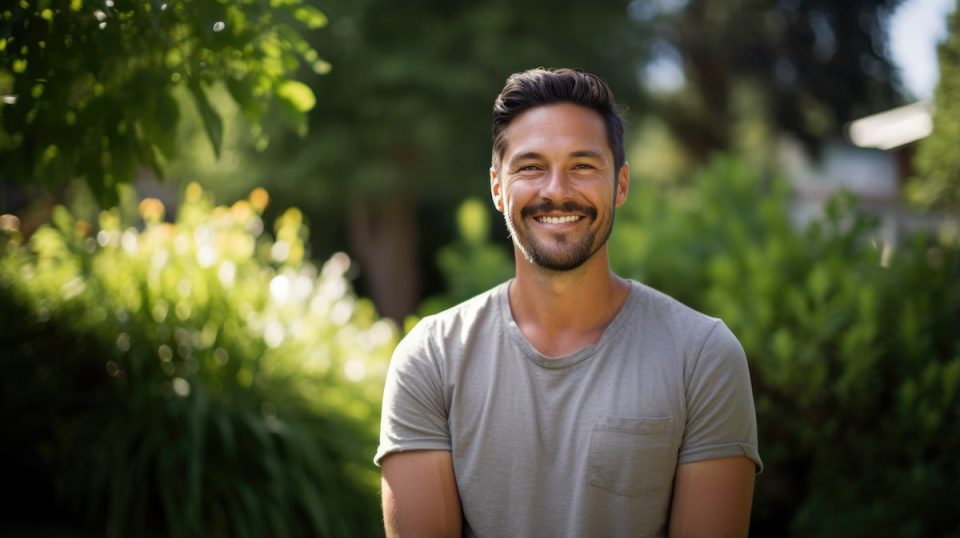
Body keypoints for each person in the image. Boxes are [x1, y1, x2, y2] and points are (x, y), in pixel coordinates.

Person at [375, 67, 762, 537]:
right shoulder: (431, 358)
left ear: (620, 185)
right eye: (531, 166)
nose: (556, 190)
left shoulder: (702, 356)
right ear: (498, 187)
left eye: (582, 165)